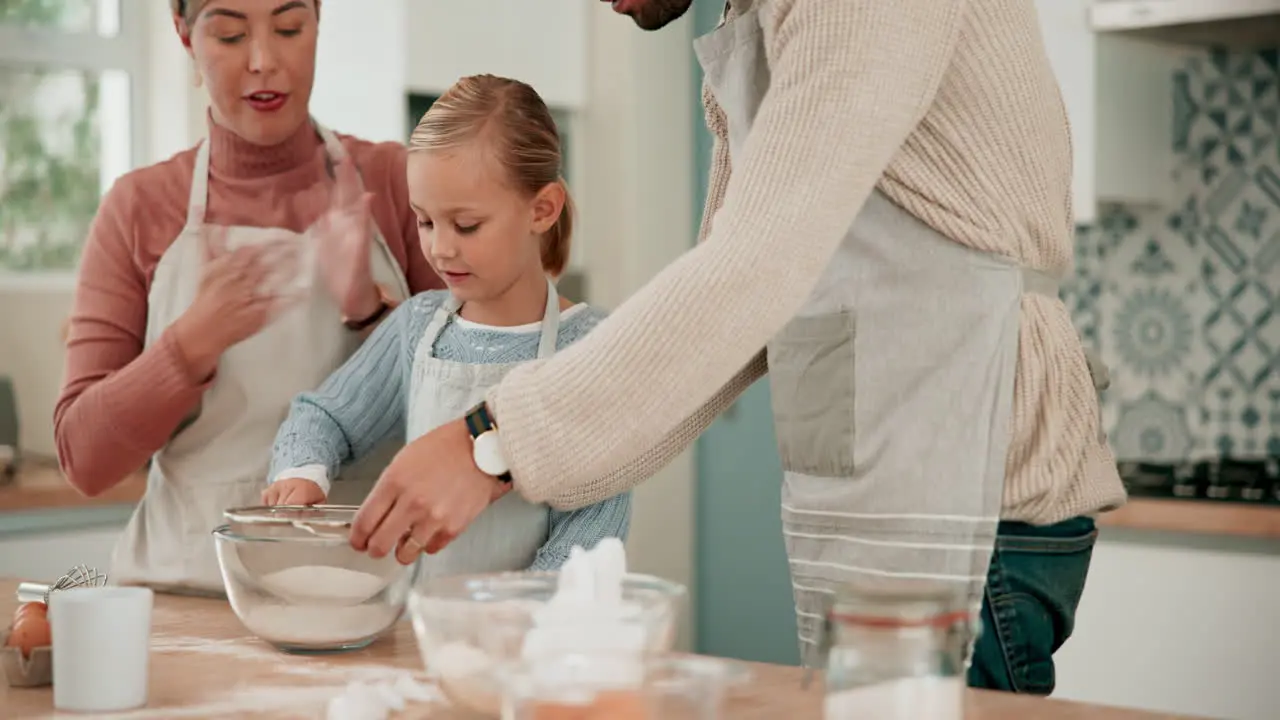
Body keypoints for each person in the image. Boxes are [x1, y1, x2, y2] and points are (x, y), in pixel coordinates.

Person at [348, 0, 1128, 695]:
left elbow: (753, 268)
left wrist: (491, 443)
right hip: (889, 476)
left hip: (971, 470)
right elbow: (733, 317)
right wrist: (509, 453)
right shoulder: (760, 20)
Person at [54, 0, 442, 596]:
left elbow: (463, 417)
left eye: (288, 28)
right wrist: (188, 347)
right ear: (184, 35)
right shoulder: (139, 207)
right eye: (231, 35)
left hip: (364, 596)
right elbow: (84, 459)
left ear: (318, 23)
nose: (264, 61)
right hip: (184, 598)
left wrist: (370, 314)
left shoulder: (396, 182)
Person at [262, 74, 631, 573]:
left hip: (532, 634)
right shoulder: (417, 328)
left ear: (541, 210)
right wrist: (302, 472)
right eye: (425, 221)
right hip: (424, 631)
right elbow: (325, 416)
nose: (440, 248)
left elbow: (594, 527)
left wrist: (527, 615)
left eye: (467, 225)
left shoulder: (592, 347)